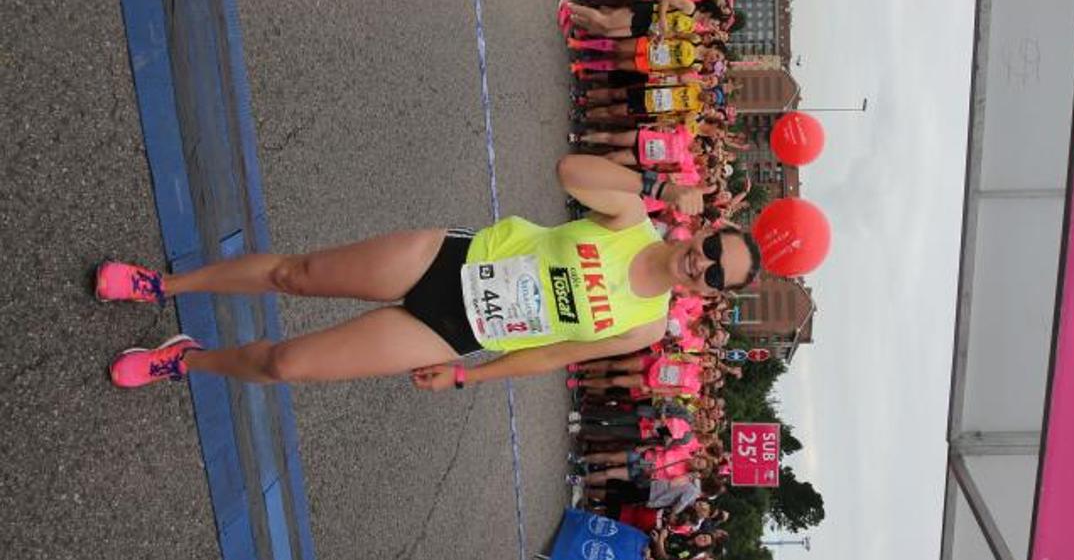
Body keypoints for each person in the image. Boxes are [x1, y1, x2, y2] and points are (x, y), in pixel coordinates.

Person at [99, 155, 759, 388]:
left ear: (707, 293)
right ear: (701, 232)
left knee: (286, 366)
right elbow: (570, 172)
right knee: (295, 276)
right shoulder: (631, 221)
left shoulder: (645, 327)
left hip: (454, 331)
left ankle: (184, 361)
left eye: (712, 275)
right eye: (710, 249)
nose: (699, 263)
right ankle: (166, 285)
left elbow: (552, 356)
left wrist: (467, 376)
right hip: (449, 261)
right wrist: (656, 187)